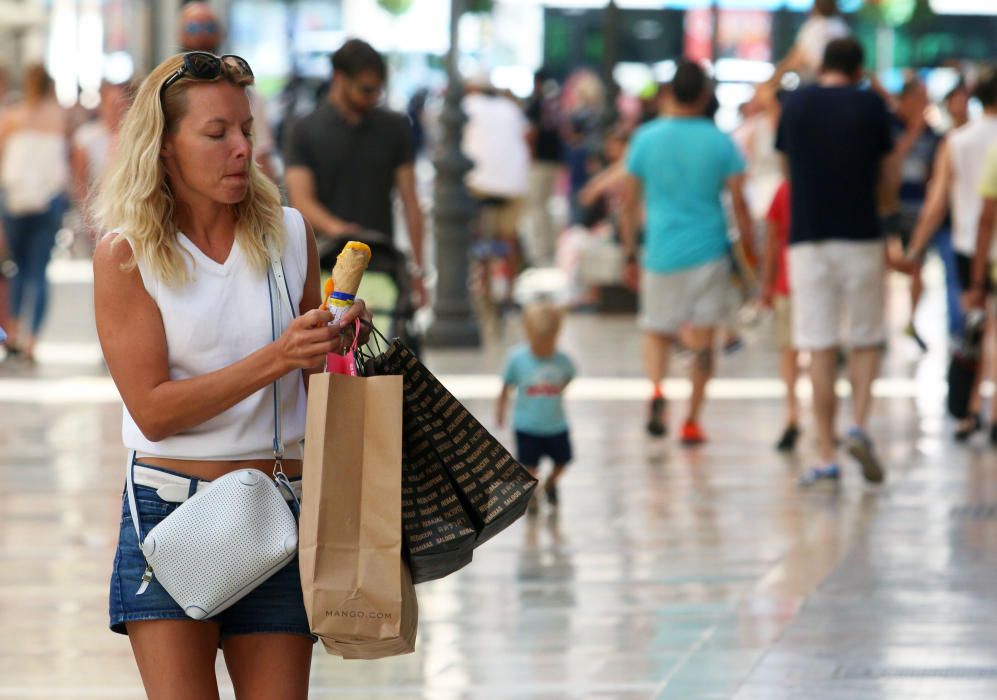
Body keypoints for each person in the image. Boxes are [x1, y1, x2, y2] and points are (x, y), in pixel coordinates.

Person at [92, 52, 371, 697]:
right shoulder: (127, 254)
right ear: (163, 147)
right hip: (168, 513)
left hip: (279, 508)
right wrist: (278, 355)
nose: (242, 149)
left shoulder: (289, 236)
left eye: (246, 129)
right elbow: (154, 410)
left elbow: (318, 393)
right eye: (216, 134)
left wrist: (339, 343)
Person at [776, 38, 893, 485]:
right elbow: (887, 176)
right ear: (859, 68)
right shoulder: (870, 106)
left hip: (808, 238)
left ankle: (826, 453)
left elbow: (787, 171)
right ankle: (859, 425)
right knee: (865, 340)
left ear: (822, 65)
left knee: (820, 346)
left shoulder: (796, 104)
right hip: (861, 234)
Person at [620, 60, 753, 444]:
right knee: (703, 339)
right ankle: (692, 419)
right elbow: (740, 203)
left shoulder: (645, 138)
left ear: (669, 93)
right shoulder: (719, 140)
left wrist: (630, 252)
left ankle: (658, 390)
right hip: (708, 250)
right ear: (705, 95)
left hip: (660, 249)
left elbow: (629, 202)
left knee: (656, 330)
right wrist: (751, 251)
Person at [284, 39, 426, 304]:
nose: (374, 97)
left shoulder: (394, 127)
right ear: (339, 78)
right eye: (366, 89)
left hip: (382, 266)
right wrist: (343, 232)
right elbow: (301, 200)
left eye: (378, 90)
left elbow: (411, 200)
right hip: (323, 265)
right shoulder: (304, 129)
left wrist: (417, 269)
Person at [902, 69, 997, 441]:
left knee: (972, 328)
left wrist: (915, 247)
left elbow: (937, 202)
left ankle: (968, 410)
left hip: (967, 244)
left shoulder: (958, 141)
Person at [0, 63, 70, 363]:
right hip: (49, 201)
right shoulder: (59, 118)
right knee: (39, 271)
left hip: (15, 200)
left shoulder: (12, 117)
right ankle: (32, 340)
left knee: (17, 267)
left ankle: (13, 332)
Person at [178, 1, 278, 182]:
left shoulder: (247, 95)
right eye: (193, 28)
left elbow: (261, 154)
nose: (201, 34)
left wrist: (269, 202)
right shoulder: (167, 91)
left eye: (208, 27)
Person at [496, 302, 575, 513]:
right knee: (529, 465)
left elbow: (570, 375)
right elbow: (506, 386)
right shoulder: (517, 359)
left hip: (556, 424)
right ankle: (533, 493)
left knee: (563, 461)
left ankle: (551, 482)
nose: (542, 347)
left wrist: (559, 389)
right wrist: (501, 411)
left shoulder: (562, 360)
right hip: (526, 425)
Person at [462, 73, 531, 284]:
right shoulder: (510, 108)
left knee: (473, 234)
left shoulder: (467, 104)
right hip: (513, 184)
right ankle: (510, 290)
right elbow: (527, 135)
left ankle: (480, 281)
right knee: (508, 236)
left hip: (477, 183)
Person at [760, 179, 800, 451]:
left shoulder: (786, 188)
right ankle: (827, 423)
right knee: (825, 351)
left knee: (789, 352)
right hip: (820, 284)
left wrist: (767, 282)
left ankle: (792, 413)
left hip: (788, 280)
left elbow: (772, 240)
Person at [71, 81, 134, 244]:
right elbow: (80, 181)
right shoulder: (86, 137)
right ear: (102, 105)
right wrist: (87, 217)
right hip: (100, 213)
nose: (117, 109)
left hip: (130, 213)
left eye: (121, 103)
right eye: (112, 104)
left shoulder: (134, 138)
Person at [525, 69, 563, 266]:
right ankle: (550, 248)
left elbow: (531, 132)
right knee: (546, 205)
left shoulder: (537, 102)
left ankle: (541, 251)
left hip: (539, 160)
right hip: (554, 159)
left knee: (538, 206)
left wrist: (529, 155)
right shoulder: (556, 101)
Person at [770, 0, 850, 86]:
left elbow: (796, 59)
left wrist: (771, 82)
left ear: (815, 7)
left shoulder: (812, 27)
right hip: (841, 86)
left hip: (815, 85)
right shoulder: (843, 28)